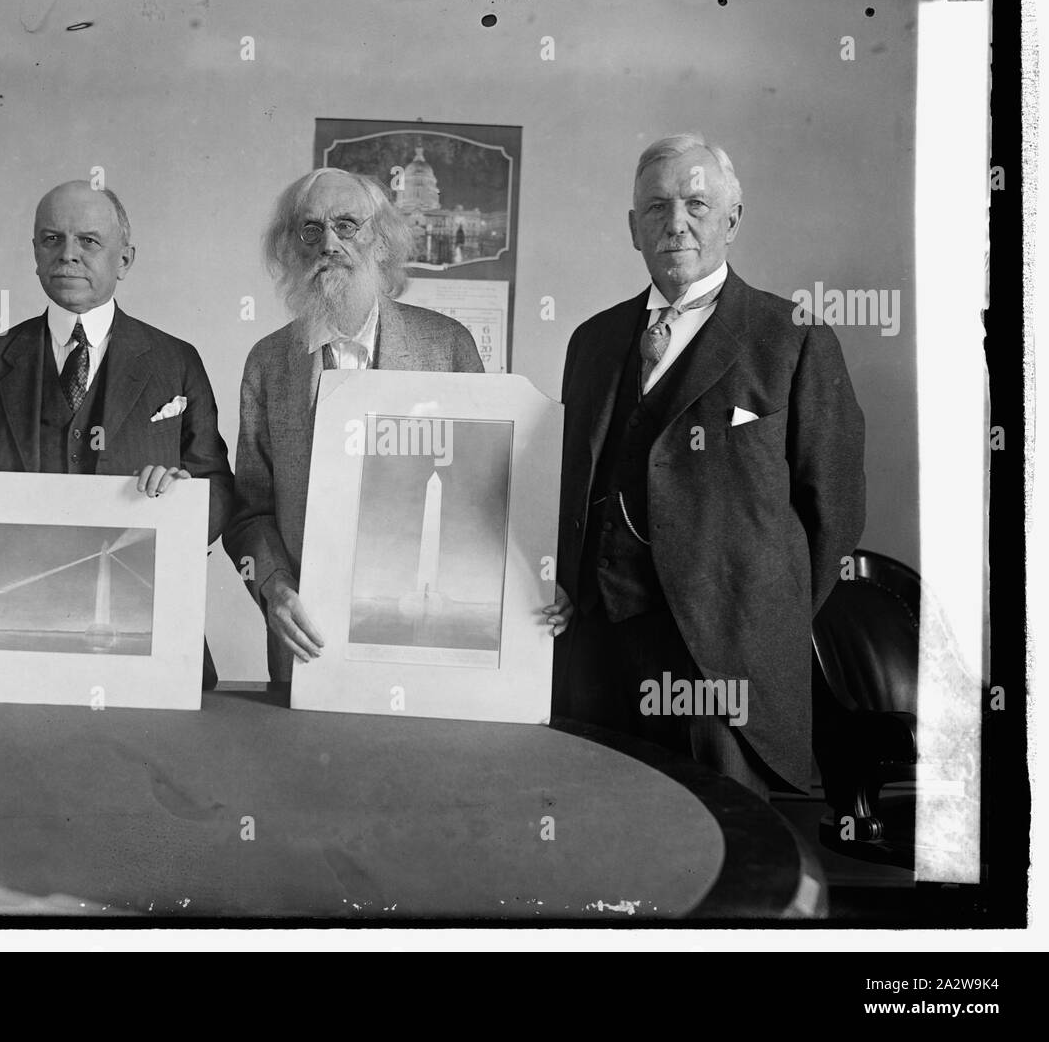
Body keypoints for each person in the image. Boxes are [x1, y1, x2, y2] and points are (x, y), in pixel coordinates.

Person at [549, 133, 866, 798]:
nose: (677, 222)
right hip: (598, 660)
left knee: (731, 859)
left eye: (697, 202)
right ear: (633, 228)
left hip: (724, 675)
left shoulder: (795, 336)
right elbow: (572, 487)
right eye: (657, 207)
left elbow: (832, 513)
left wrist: (755, 617)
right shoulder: (593, 340)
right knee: (600, 839)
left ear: (732, 219)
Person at [0, 181, 235, 684]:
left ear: (123, 260)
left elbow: (215, 485)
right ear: (35, 254)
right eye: (51, 239)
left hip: (141, 627)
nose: (68, 255)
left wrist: (179, 504)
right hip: (9, 632)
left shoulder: (176, 361)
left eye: (88, 241)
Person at [224, 168, 484, 683]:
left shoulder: (448, 346)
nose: (330, 243)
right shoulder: (268, 362)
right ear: (292, 248)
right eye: (311, 230)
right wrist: (274, 587)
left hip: (424, 632)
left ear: (381, 242)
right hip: (307, 636)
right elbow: (249, 510)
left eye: (348, 225)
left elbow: (481, 498)